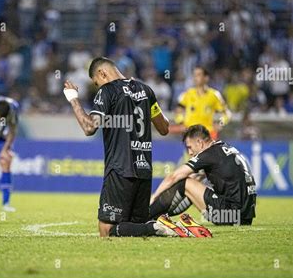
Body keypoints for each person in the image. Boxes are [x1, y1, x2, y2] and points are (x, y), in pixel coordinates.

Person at [63, 56, 179, 237]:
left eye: (96, 82)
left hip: (119, 170)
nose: (98, 87)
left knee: (106, 230)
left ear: (102, 73)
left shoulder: (107, 91)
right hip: (144, 170)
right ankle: (152, 228)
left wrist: (73, 99)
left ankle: (154, 227)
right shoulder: (145, 90)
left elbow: (89, 127)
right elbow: (164, 128)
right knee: (134, 230)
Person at [150, 124, 257, 226]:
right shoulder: (224, 148)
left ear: (199, 142)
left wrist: (154, 197)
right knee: (192, 184)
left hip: (230, 216)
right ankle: (157, 216)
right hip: (245, 217)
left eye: (190, 147)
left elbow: (173, 177)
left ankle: (147, 214)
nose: (190, 153)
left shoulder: (209, 154)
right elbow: (196, 179)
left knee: (185, 183)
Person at [171, 67, 231, 140]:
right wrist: (181, 123)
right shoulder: (188, 94)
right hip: (191, 134)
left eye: (198, 75)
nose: (195, 78)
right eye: (194, 75)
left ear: (206, 78)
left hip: (207, 135)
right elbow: (177, 112)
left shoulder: (214, 95)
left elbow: (227, 113)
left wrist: (220, 124)